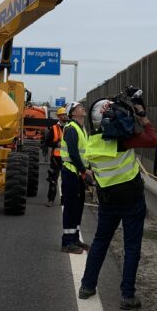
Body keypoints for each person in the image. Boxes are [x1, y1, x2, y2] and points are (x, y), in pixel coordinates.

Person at [79, 95, 157, 310]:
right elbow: (152, 139)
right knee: (131, 247)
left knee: (100, 242)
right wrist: (142, 116)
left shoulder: (91, 142)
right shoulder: (124, 141)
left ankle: (87, 286)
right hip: (131, 198)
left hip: (107, 199)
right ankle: (127, 296)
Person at [59, 102, 90, 253]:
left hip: (78, 174)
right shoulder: (71, 129)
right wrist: (84, 170)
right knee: (71, 207)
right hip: (71, 172)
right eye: (79, 107)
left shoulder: (81, 128)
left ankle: (75, 238)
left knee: (78, 207)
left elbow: (85, 152)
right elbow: (73, 153)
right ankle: (67, 242)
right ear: (72, 113)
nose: (82, 108)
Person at [42, 105, 68, 207]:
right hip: (56, 157)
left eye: (65, 114)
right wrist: (56, 144)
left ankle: (64, 200)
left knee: (66, 180)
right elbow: (47, 142)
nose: (64, 116)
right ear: (58, 117)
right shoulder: (54, 128)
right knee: (53, 179)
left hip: (67, 158)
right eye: (62, 115)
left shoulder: (70, 127)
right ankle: (50, 199)